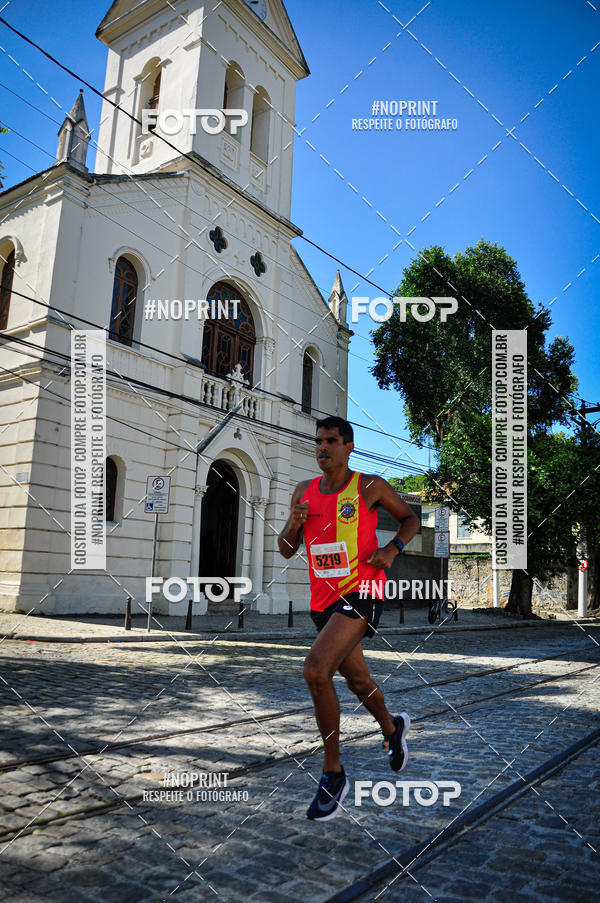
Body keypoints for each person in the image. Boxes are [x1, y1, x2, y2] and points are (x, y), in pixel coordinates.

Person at [278, 416, 420, 821]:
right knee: (357, 680)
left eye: (331, 441)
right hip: (323, 602)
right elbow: (287, 549)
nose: (322, 448)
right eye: (318, 441)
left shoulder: (369, 486)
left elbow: (411, 519)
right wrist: (294, 522)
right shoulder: (302, 491)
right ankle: (392, 729)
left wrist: (392, 550)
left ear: (348, 446)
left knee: (315, 671)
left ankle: (333, 772)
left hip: (363, 591)